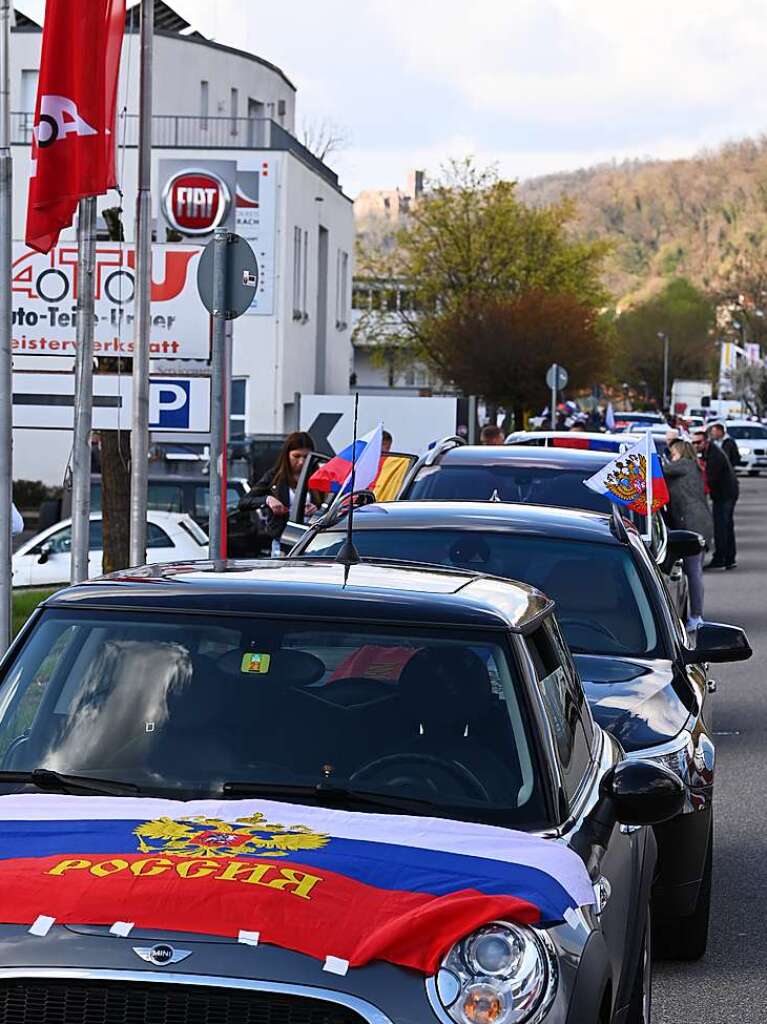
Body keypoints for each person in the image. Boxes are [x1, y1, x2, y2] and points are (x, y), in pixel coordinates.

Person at [664, 440, 714, 630]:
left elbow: (661, 469)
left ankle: (696, 617)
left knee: (694, 572)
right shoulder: (691, 467)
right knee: (694, 572)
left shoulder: (685, 465)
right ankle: (696, 615)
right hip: (697, 522)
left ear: (681, 452)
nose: (671, 457)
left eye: (673, 453)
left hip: (694, 524)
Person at [245, 431, 317, 554]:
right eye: (296, 456)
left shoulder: (318, 476)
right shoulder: (275, 476)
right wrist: (267, 500)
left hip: (313, 540)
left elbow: (331, 505)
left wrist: (317, 510)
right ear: (287, 455)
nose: (301, 462)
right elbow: (245, 501)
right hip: (283, 539)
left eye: (306, 457)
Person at [692, 429, 739, 570]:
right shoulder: (710, 452)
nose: (695, 445)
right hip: (726, 492)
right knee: (727, 526)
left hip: (725, 494)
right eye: (693, 442)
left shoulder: (714, 456)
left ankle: (720, 558)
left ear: (706, 442)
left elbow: (710, 480)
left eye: (698, 442)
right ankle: (729, 558)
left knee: (721, 526)